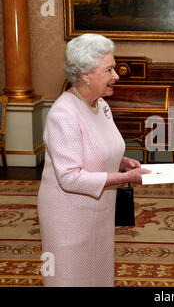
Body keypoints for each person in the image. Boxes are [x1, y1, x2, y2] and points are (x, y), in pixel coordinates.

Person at [37, 33, 150, 287]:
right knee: (70, 277)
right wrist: (125, 178)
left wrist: (120, 160)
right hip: (68, 215)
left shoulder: (101, 105)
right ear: (85, 75)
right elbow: (69, 177)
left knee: (97, 274)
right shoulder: (63, 113)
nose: (117, 75)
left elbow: (96, 144)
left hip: (99, 210)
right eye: (109, 69)